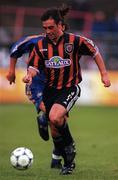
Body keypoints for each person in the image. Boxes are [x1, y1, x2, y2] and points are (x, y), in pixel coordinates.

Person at [24, 5, 111, 175]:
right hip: (50, 90)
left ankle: (70, 149)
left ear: (61, 26)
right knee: (55, 128)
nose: (48, 31)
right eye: (45, 28)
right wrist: (29, 75)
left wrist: (104, 74)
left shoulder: (75, 41)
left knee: (55, 117)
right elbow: (33, 66)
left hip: (70, 87)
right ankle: (64, 160)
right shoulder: (40, 45)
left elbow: (95, 51)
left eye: (51, 27)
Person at [6, 34, 63, 169]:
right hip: (36, 85)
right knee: (54, 116)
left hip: (56, 86)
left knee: (60, 121)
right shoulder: (35, 41)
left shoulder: (68, 43)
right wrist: (11, 71)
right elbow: (15, 50)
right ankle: (45, 118)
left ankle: (56, 159)